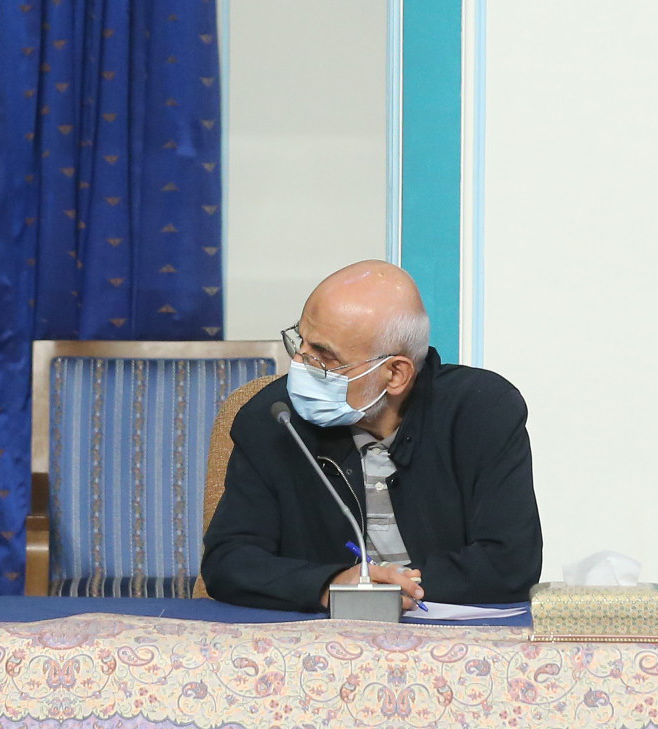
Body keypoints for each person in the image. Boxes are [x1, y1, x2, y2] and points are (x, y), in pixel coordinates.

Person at [200, 260, 541, 613]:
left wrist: (391, 588)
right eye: (301, 342)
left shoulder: (482, 412)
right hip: (322, 635)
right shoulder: (274, 418)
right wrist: (330, 586)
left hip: (449, 630)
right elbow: (229, 562)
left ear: (395, 374)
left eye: (324, 357)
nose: (299, 363)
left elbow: (510, 562)